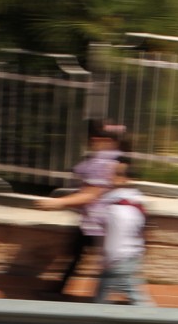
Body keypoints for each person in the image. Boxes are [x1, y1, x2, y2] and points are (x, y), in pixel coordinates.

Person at [36, 119, 125, 298]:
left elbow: (91, 194)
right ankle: (61, 292)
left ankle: (124, 298)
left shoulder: (103, 163)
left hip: (101, 223)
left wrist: (58, 202)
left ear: (98, 139)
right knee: (77, 255)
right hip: (98, 220)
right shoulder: (110, 158)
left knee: (105, 262)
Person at [93, 156, 153, 307]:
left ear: (127, 179)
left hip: (120, 262)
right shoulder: (127, 201)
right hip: (122, 261)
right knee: (100, 301)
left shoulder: (122, 207)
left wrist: (111, 261)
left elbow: (118, 238)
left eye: (117, 174)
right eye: (112, 172)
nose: (111, 176)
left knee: (139, 302)